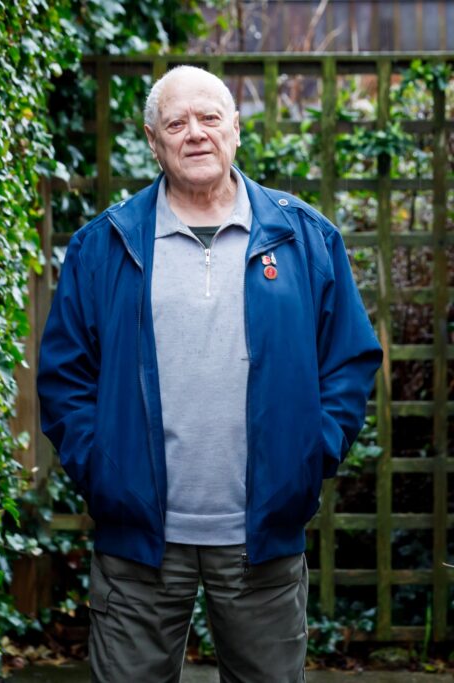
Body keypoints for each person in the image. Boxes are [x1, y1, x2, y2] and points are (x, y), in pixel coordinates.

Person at [36, 65, 382, 682]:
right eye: (176, 123)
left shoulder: (304, 239)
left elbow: (349, 360)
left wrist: (310, 455)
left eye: (210, 118)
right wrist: (106, 473)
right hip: (137, 537)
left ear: (236, 130)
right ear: (152, 140)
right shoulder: (103, 246)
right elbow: (65, 379)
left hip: (262, 536)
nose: (195, 134)